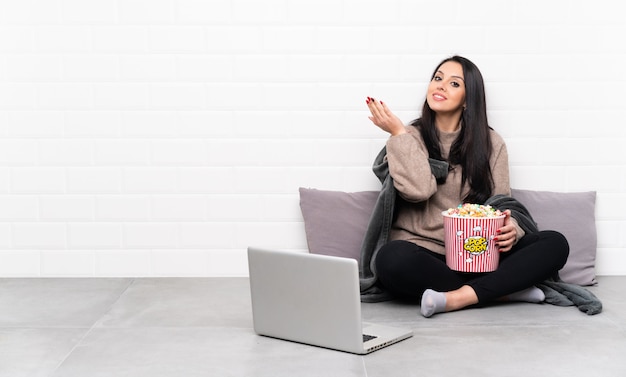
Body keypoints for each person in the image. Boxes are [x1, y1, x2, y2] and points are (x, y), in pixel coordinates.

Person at [363, 55, 570, 318]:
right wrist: (398, 134)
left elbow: (502, 203)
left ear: (468, 98)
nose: (440, 86)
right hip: (426, 257)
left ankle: (459, 297)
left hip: (479, 255)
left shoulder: (492, 143)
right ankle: (503, 291)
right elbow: (418, 190)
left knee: (555, 243)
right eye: (437, 79)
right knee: (390, 260)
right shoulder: (407, 137)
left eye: (453, 83)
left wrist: (512, 229)